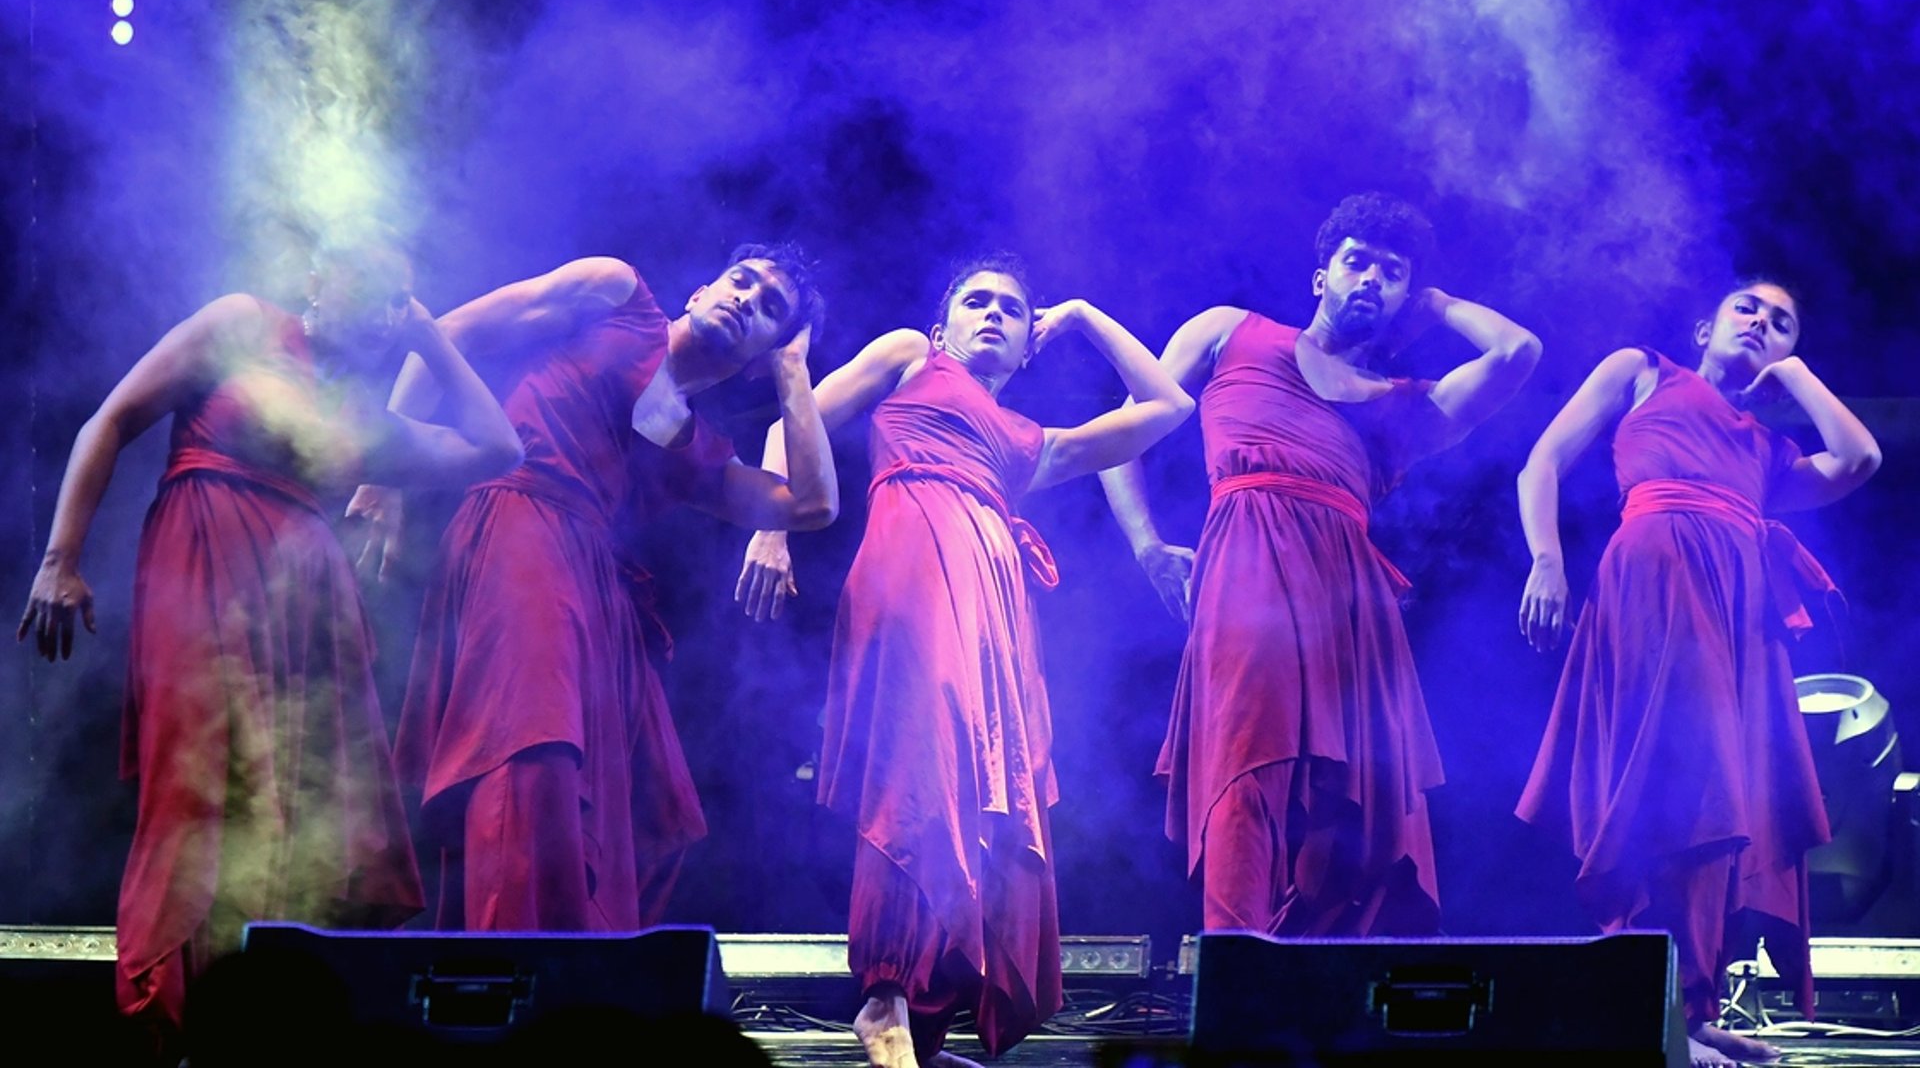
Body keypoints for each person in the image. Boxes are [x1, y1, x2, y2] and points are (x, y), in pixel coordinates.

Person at [17, 235, 523, 1032]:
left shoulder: (360, 414)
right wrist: (59, 558)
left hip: (308, 606)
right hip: (204, 561)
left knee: (295, 802)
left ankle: (266, 1017)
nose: (383, 307)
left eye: (400, 299)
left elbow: (500, 447)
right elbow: (110, 419)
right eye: (372, 283)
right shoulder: (243, 323)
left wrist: (428, 331)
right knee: (201, 784)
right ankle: (178, 1016)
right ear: (320, 273)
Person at [736, 254, 1194, 1068]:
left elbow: (1170, 405)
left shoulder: (1032, 444)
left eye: (1013, 309)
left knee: (979, 792)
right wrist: (772, 524)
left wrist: (1084, 312)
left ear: (1027, 344)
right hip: (913, 560)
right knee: (920, 767)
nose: (993, 314)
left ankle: (927, 1013)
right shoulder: (913, 353)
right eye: (975, 301)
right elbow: (786, 423)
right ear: (942, 323)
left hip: (993, 600)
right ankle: (885, 994)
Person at [1100, 192, 1540, 937]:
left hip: (1349, 602)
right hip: (1246, 571)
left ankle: (1319, 999)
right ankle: (1239, 973)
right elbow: (1121, 435)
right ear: (1321, 276)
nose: (1370, 278)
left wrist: (1433, 302)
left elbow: (1517, 352)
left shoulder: (1403, 406)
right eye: (1356, 261)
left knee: (1350, 799)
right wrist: (1148, 547)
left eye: (1391, 271)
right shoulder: (1229, 332)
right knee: (1248, 768)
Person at [379, 245, 835, 933]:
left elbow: (810, 506)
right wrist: (384, 469)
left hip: (592, 586)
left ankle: (553, 973)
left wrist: (795, 372)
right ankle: (511, 961)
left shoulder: (696, 448)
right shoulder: (618, 293)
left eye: (771, 307)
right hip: (519, 529)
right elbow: (453, 330)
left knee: (607, 791)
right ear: (700, 288)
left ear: (765, 351)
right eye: (742, 281)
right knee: (532, 751)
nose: (747, 298)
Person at [1514, 279, 1879, 1068]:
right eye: (1749, 309)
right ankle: (1650, 1004)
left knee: (1717, 798)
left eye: (1783, 322)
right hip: (1645, 597)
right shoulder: (1641, 372)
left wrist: (1794, 374)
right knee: (1650, 788)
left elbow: (1860, 456)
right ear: (1706, 325)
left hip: (1732, 622)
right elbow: (1542, 459)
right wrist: (1548, 559)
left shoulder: (1767, 450)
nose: (1762, 324)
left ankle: (1694, 1008)